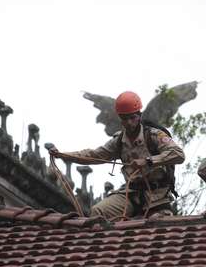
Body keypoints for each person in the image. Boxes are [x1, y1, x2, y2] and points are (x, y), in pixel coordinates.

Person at [50, 91, 185, 220]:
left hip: (157, 197)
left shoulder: (153, 135)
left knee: (156, 223)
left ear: (139, 115)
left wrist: (148, 161)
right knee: (98, 212)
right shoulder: (119, 141)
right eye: (125, 119)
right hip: (131, 194)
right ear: (120, 118)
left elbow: (178, 154)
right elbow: (94, 155)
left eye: (132, 117)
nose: (129, 123)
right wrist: (63, 155)